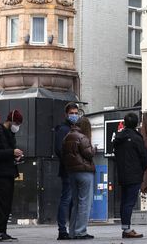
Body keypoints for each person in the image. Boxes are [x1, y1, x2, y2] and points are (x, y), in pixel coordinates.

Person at [0, 109, 25, 241]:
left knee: (6, 205)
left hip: (8, 172)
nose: (17, 127)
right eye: (17, 123)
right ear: (11, 121)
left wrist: (16, 157)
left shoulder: (9, 134)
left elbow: (8, 153)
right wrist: (11, 152)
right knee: (1, 204)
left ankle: (3, 231)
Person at [112, 112, 147, 239]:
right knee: (129, 202)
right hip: (134, 174)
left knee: (124, 202)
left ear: (124, 122)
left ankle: (125, 227)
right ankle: (127, 230)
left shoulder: (118, 137)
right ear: (137, 123)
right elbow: (144, 156)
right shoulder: (136, 137)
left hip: (122, 174)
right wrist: (142, 169)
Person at [62, 117, 95, 240]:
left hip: (72, 172)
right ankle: (81, 231)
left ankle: (72, 232)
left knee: (76, 203)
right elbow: (89, 153)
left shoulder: (67, 136)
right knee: (85, 202)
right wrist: (94, 149)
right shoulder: (82, 137)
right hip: (84, 172)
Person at [54, 103, 80, 240]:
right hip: (68, 169)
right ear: (66, 114)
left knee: (72, 200)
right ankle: (62, 229)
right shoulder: (63, 129)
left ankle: (72, 229)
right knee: (67, 199)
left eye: (76, 113)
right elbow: (59, 149)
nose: (74, 115)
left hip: (74, 169)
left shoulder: (73, 129)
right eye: (72, 113)